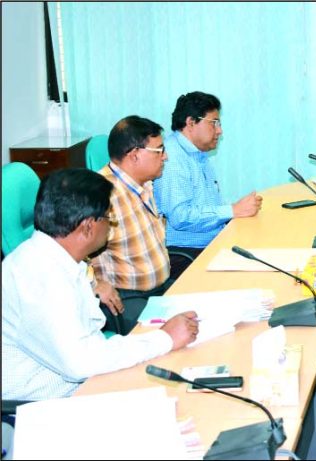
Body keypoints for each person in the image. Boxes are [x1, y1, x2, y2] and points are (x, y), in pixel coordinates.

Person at [1, 169, 198, 401]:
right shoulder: (39, 277)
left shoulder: (59, 259)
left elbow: (89, 342)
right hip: (51, 400)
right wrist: (164, 338)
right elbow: (81, 362)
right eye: (108, 218)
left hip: (81, 379)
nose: (111, 226)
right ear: (88, 227)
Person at [154, 91, 262, 279]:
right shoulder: (172, 159)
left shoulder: (197, 153)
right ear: (190, 122)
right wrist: (232, 211)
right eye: (214, 123)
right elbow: (180, 216)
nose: (219, 131)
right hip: (185, 253)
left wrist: (235, 209)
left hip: (209, 243)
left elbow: (205, 203)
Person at [91, 115, 173, 333]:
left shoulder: (144, 183)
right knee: (179, 335)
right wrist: (94, 283)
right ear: (134, 155)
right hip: (128, 298)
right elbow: (67, 251)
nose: (165, 157)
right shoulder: (101, 195)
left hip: (160, 290)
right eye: (159, 150)